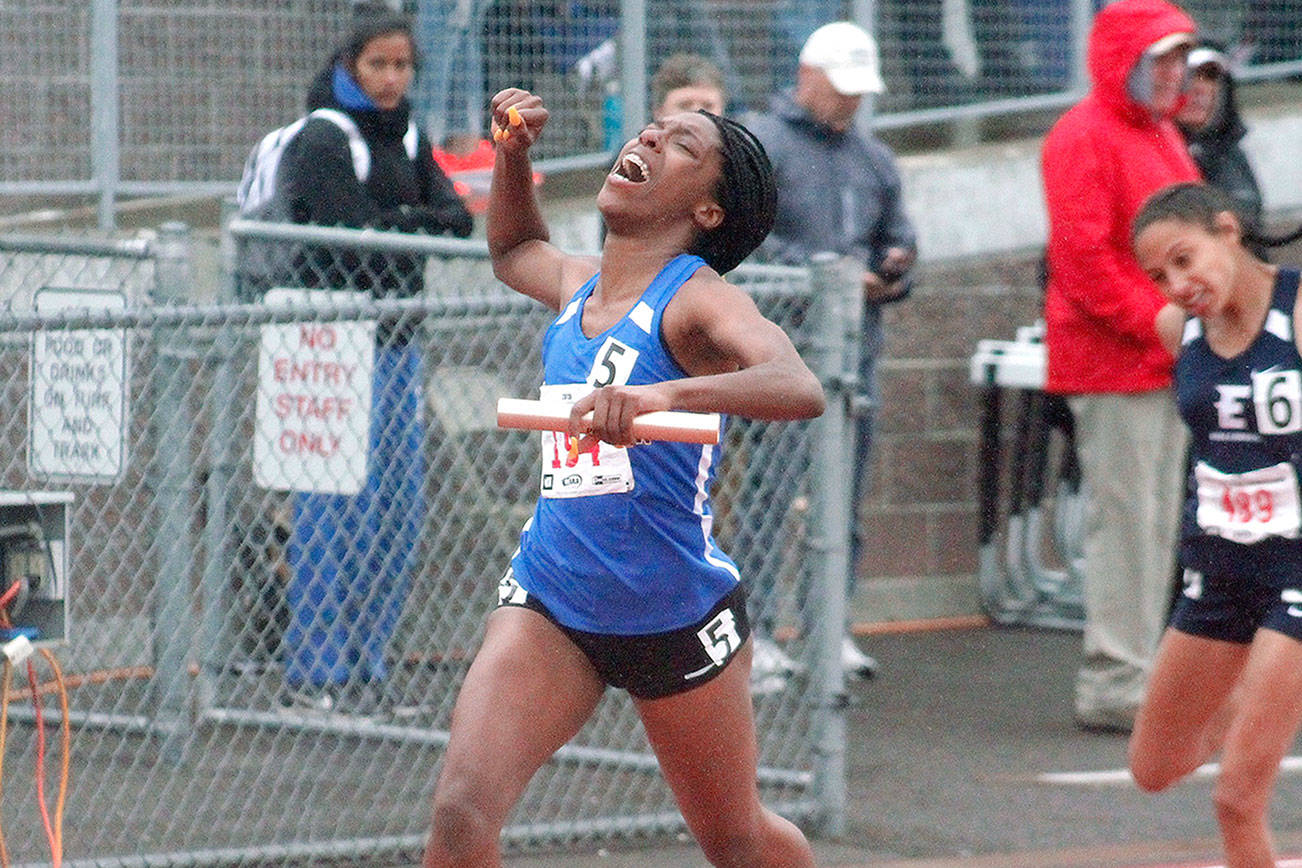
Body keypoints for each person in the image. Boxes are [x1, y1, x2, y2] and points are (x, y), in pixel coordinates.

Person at [422, 88, 822, 867]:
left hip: (673, 613)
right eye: (653, 127)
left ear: (708, 211)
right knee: (461, 814)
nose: (649, 137)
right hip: (555, 599)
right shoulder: (577, 283)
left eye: (681, 145)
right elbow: (510, 253)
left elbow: (796, 385)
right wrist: (512, 157)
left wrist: (665, 392)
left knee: (737, 843)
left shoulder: (700, 300)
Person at [274, 6, 474, 713]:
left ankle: (367, 666)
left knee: (398, 509)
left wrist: (398, 229)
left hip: (397, 342)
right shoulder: (326, 135)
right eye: (377, 66)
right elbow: (343, 237)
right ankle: (316, 673)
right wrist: (407, 229)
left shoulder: (412, 129)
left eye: (402, 66)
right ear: (351, 64)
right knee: (333, 513)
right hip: (336, 344)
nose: (391, 79)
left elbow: (456, 219)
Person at [1128, 181, 1302, 868]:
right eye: (1159, 276)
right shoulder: (1178, 330)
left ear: (1228, 230)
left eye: (1184, 259)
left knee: (1236, 801)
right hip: (1220, 562)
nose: (1177, 285)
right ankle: (1253, 691)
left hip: (1298, 567)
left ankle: (1274, 679)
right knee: (1154, 767)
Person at [1039, 0, 1201, 733]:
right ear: (1127, 63)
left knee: (1156, 523)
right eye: (1162, 60)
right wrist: (1161, 317)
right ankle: (1115, 679)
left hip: (1159, 358)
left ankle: (1135, 673)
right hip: (1119, 361)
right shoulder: (1085, 137)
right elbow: (1083, 261)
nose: (1176, 75)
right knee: (1130, 524)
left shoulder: (1157, 130)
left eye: (1180, 59)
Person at [747, 20, 917, 689]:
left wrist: (895, 267)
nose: (850, 102)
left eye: (858, 91)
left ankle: (829, 628)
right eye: (841, 88)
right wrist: (834, 272)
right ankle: (754, 628)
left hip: (854, 352)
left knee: (841, 498)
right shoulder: (768, 143)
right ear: (807, 75)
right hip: (782, 349)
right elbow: (744, 235)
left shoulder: (874, 158)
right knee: (769, 493)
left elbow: (900, 234)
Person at [1175, 42, 1265, 254]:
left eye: (1210, 76)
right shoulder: (1155, 153)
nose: (1199, 88)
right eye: (1188, 77)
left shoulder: (1230, 151)